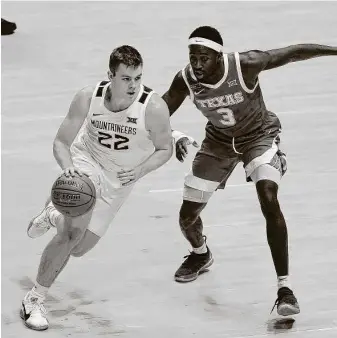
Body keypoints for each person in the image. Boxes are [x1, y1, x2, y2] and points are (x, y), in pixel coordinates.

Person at [163, 25, 337, 316]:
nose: (197, 64)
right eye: (193, 57)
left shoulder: (246, 65)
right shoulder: (186, 79)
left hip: (258, 135)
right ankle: (200, 254)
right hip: (217, 143)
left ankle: (285, 289)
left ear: (218, 56)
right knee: (186, 217)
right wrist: (173, 135)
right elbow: (157, 114)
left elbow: (294, 53)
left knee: (268, 197)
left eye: (203, 58)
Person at [21, 45, 173, 331]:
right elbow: (60, 142)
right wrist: (69, 168)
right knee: (71, 234)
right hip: (86, 163)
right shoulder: (87, 98)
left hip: (120, 178)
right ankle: (35, 298)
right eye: (126, 78)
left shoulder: (153, 108)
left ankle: (54, 214)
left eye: (137, 78)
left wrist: (140, 170)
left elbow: (166, 148)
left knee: (78, 248)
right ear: (111, 76)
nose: (133, 85)